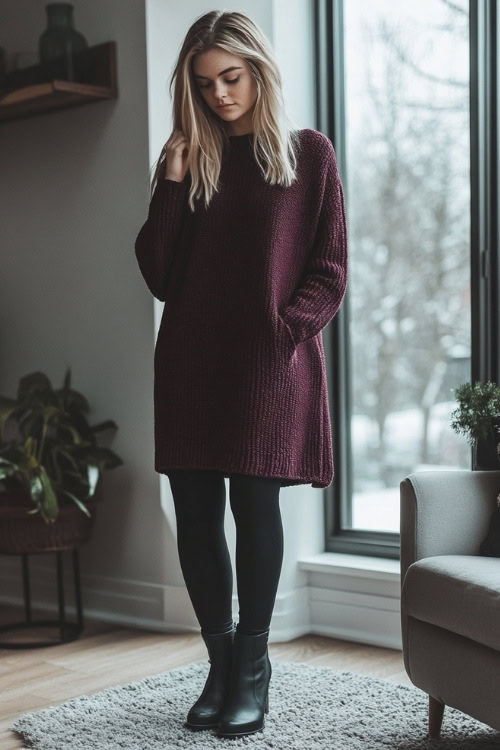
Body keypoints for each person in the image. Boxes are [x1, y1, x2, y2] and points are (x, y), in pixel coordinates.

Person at [134, 9, 349, 740]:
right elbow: (160, 275)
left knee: (255, 509)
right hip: (191, 363)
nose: (221, 93)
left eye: (232, 77)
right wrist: (170, 179)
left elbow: (328, 270)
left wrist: (284, 331)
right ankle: (220, 667)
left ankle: (253, 672)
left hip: (266, 363)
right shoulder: (194, 158)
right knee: (194, 514)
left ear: (259, 70)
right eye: (205, 83)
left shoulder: (308, 155)